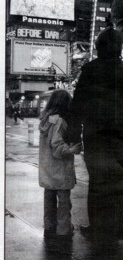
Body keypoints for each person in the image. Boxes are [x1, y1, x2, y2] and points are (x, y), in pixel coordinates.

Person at [68, 27, 123, 251]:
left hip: (97, 140)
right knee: (119, 187)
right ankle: (115, 231)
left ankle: (98, 231)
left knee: (98, 186)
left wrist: (73, 135)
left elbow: (78, 106)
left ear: (99, 47)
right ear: (119, 48)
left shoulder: (90, 71)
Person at [38, 89, 81, 240]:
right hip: (60, 170)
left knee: (49, 201)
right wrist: (72, 149)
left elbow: (49, 143)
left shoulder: (47, 119)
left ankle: (49, 227)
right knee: (63, 202)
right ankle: (63, 230)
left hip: (47, 169)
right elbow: (57, 147)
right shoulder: (60, 121)